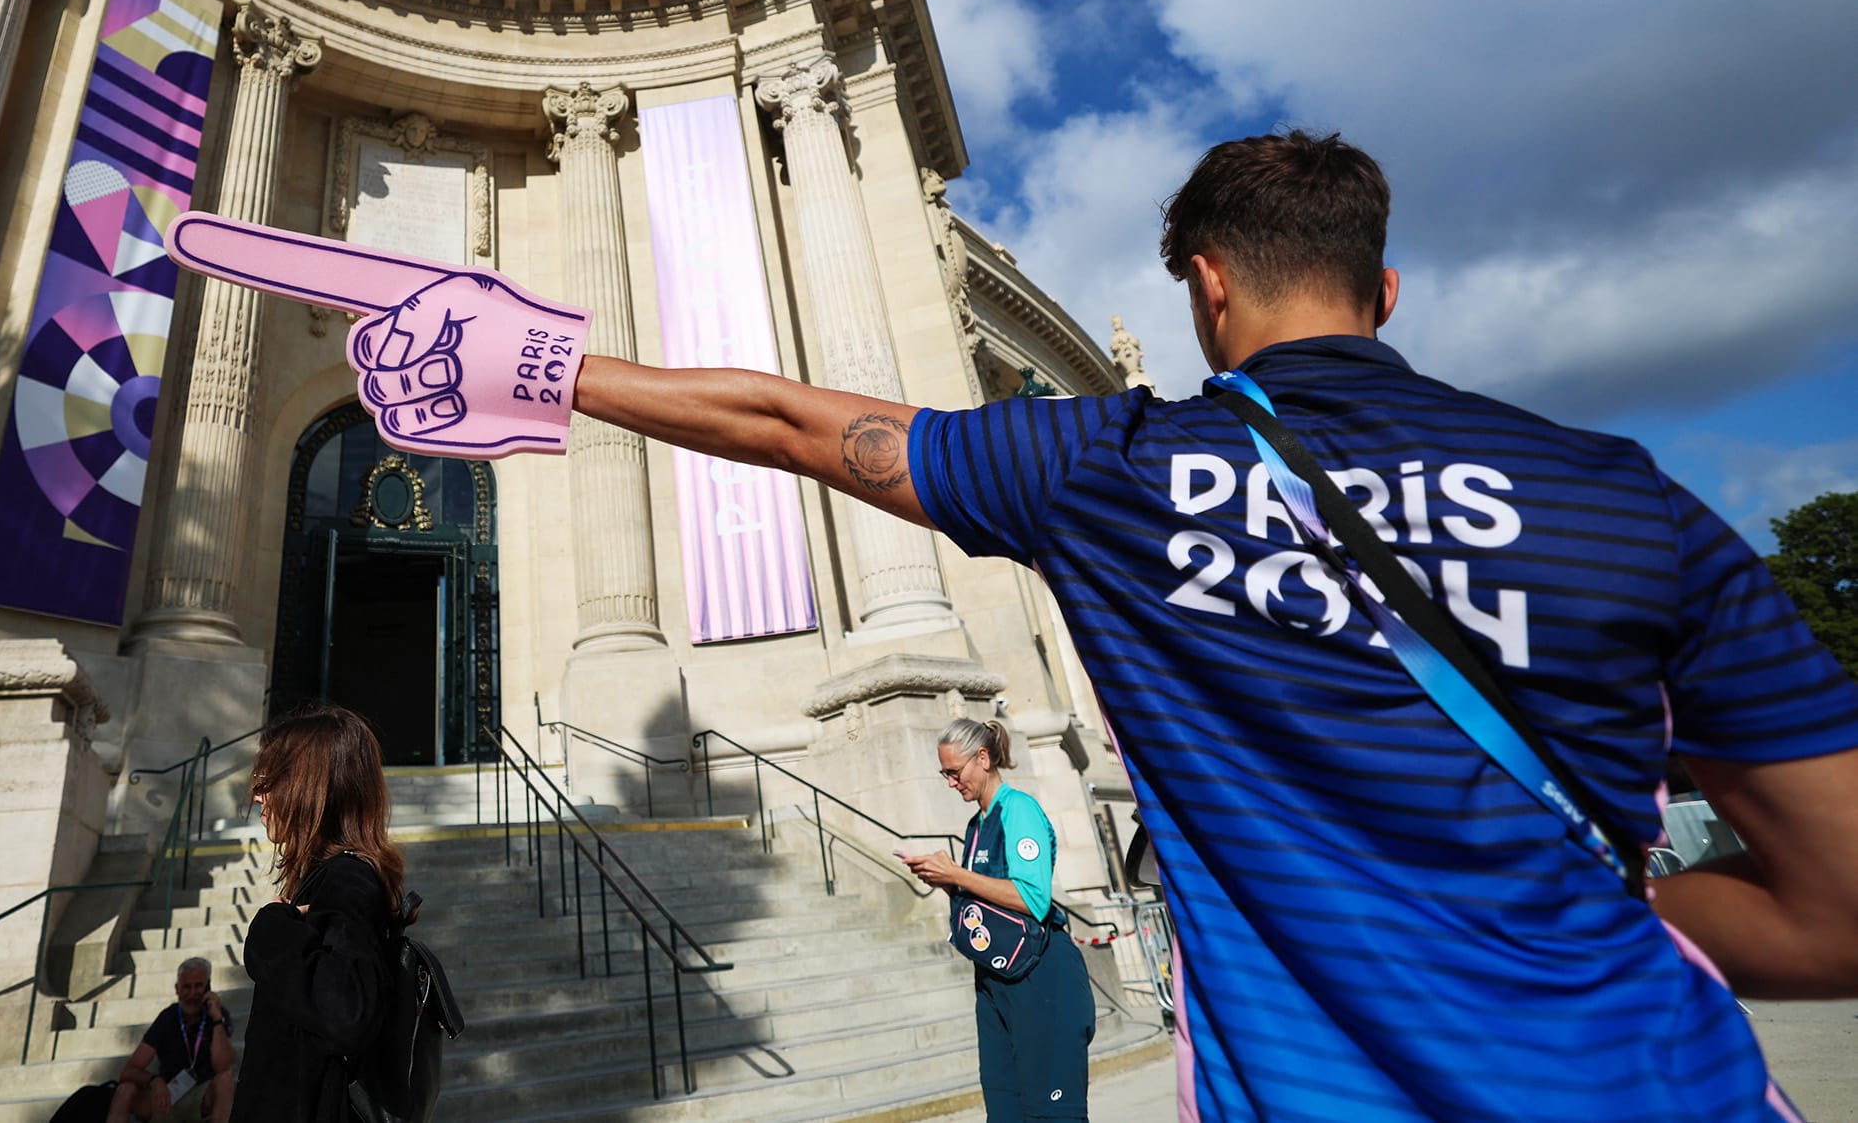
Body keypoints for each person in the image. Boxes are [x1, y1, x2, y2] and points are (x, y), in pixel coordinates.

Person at [572, 129, 1858, 1122]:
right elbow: (1835, 912)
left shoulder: (1106, 468)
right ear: (1387, 288)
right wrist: (1578, 909)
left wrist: (553, 366)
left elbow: (802, 424)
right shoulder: (1618, 490)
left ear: (1205, 280)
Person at [902, 718, 1093, 1121]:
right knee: (1005, 1110)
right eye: (945, 775)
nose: (952, 783)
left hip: (1041, 977)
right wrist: (944, 881)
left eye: (955, 772)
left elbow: (1032, 898)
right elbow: (987, 905)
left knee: (1053, 1113)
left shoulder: (1019, 809)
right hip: (995, 981)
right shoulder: (976, 826)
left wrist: (957, 874)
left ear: (983, 758)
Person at [232, 705, 403, 1123]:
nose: (257, 796)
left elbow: (347, 1010)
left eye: (268, 781)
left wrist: (270, 929)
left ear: (308, 786)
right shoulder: (336, 877)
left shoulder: (347, 880)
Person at [106, 958, 233, 1122]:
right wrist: (154, 1080)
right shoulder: (168, 1018)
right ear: (177, 989)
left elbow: (222, 1066)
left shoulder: (217, 1015)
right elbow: (128, 1071)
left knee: (225, 1081)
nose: (193, 993)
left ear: (208, 986)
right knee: (125, 1090)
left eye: (199, 986)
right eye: (187, 987)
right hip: (166, 1096)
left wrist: (216, 1019)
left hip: (200, 1096)